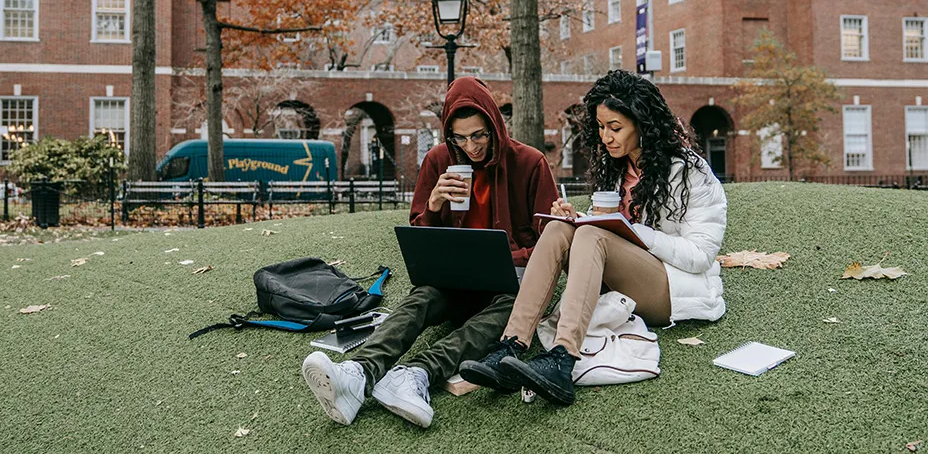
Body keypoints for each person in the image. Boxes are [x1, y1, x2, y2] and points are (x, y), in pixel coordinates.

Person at [301, 77, 559, 427]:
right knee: (421, 297)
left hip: (508, 284)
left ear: (496, 126)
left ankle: (416, 374)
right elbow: (421, 239)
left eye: (480, 135)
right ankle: (357, 374)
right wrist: (435, 204)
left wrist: (510, 255)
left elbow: (550, 243)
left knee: (511, 308)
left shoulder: (530, 162)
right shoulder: (438, 160)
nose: (472, 146)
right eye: (460, 137)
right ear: (448, 134)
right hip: (454, 281)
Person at [460, 69, 728, 405]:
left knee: (592, 237)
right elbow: (611, 230)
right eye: (601, 128)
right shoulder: (616, 169)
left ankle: (562, 358)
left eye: (615, 128)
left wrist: (626, 231)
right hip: (619, 276)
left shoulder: (689, 171)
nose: (606, 137)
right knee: (560, 228)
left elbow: (700, 255)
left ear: (643, 124)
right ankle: (510, 345)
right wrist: (580, 218)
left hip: (672, 287)